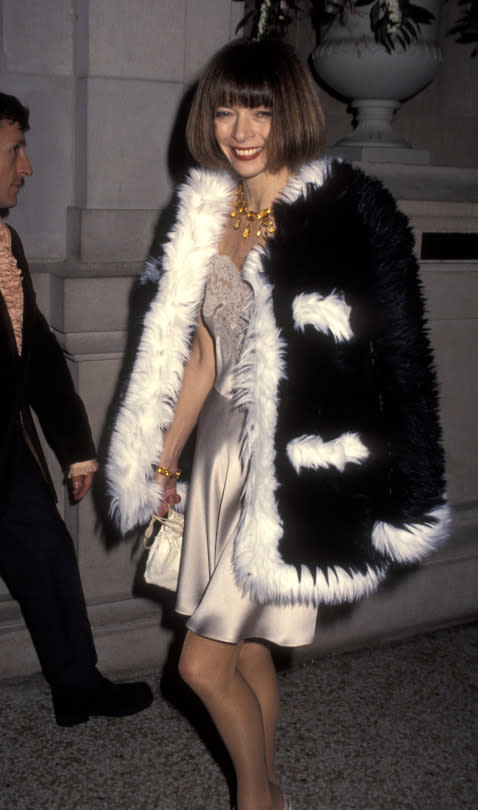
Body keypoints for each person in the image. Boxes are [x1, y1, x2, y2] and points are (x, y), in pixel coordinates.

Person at [106, 40, 449, 810]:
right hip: (218, 460)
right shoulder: (204, 210)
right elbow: (199, 357)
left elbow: (395, 367)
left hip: (289, 468)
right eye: (226, 107)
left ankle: (256, 799)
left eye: (259, 106)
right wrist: (161, 464)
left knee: (200, 665)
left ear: (289, 109)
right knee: (246, 644)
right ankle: (272, 788)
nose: (241, 126)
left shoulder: (343, 213)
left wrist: (385, 489)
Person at [0, 92, 153, 726]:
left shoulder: (5, 242)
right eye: (14, 150)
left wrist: (75, 446)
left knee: (51, 556)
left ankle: (77, 685)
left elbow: (34, 350)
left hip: (10, 457)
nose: (27, 166)